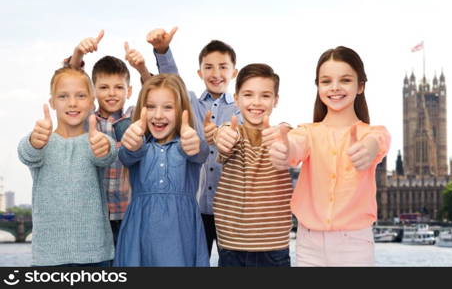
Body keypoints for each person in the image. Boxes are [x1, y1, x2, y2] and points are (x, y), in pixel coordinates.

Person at [269, 46, 390, 266]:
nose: (334, 88)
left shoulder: (371, 133)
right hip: (309, 243)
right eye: (326, 81)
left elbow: (379, 141)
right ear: (318, 87)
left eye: (345, 80)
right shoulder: (307, 132)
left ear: (360, 86)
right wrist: (284, 149)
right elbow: (294, 147)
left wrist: (370, 147)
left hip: (354, 244)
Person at [145, 27, 242, 259]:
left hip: (230, 209)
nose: (216, 73)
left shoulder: (240, 109)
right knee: (193, 261)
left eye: (223, 67)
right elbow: (172, 79)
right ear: (199, 72)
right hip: (195, 208)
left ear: (234, 72)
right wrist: (162, 50)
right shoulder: (190, 103)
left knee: (231, 263)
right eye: (208, 67)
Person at [18, 67, 117, 266]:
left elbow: (107, 154)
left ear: (92, 102)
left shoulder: (97, 140)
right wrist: (34, 141)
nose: (72, 103)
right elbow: (26, 154)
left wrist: (104, 147)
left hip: (95, 255)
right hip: (48, 258)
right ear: (52, 102)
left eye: (80, 96)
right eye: (63, 96)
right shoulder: (41, 140)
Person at [65, 30, 151, 248]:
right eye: (103, 87)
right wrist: (77, 54)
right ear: (92, 92)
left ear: (129, 91)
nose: (111, 93)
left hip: (129, 212)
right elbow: (70, 85)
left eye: (118, 87)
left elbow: (156, 94)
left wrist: (141, 68)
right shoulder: (86, 119)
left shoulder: (134, 117)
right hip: (94, 214)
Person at [114, 73, 209, 266]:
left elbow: (201, 152)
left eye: (168, 107)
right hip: (140, 237)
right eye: (150, 107)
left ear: (181, 110)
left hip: (181, 239)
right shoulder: (138, 147)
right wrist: (132, 143)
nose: (158, 115)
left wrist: (194, 142)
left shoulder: (188, 145)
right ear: (142, 109)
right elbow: (126, 155)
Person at [212, 63, 292, 266]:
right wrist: (222, 136)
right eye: (248, 95)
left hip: (274, 248)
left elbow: (292, 138)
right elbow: (223, 138)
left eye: (265, 96)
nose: (256, 102)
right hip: (232, 247)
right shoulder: (231, 132)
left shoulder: (282, 137)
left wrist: (286, 132)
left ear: (275, 101)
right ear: (236, 100)